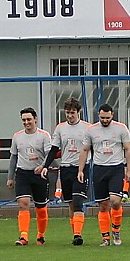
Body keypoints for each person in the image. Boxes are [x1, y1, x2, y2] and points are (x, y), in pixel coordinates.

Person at [83, 104, 130, 246]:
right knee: (103, 205)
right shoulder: (91, 130)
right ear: (98, 116)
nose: (105, 120)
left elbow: (128, 149)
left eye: (107, 117)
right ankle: (105, 237)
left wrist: (129, 169)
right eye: (102, 118)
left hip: (116, 168)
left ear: (112, 115)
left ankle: (116, 230)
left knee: (116, 201)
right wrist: (80, 170)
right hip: (99, 169)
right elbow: (85, 150)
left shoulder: (121, 128)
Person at [44, 98, 92, 245]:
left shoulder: (87, 128)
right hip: (65, 168)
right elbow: (54, 149)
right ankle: (75, 232)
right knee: (70, 203)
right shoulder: (60, 128)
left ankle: (78, 234)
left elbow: (93, 147)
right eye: (67, 113)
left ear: (78, 112)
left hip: (81, 168)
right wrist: (45, 165)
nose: (70, 116)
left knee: (78, 201)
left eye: (72, 113)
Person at [6, 107, 51, 246]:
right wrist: (10, 177)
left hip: (39, 175)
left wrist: (43, 166)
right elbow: (13, 157)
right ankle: (23, 236)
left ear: (35, 119)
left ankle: (41, 235)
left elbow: (49, 155)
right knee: (23, 204)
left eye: (29, 119)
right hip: (23, 174)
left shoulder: (44, 136)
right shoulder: (17, 136)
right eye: (24, 120)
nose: (26, 122)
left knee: (41, 207)